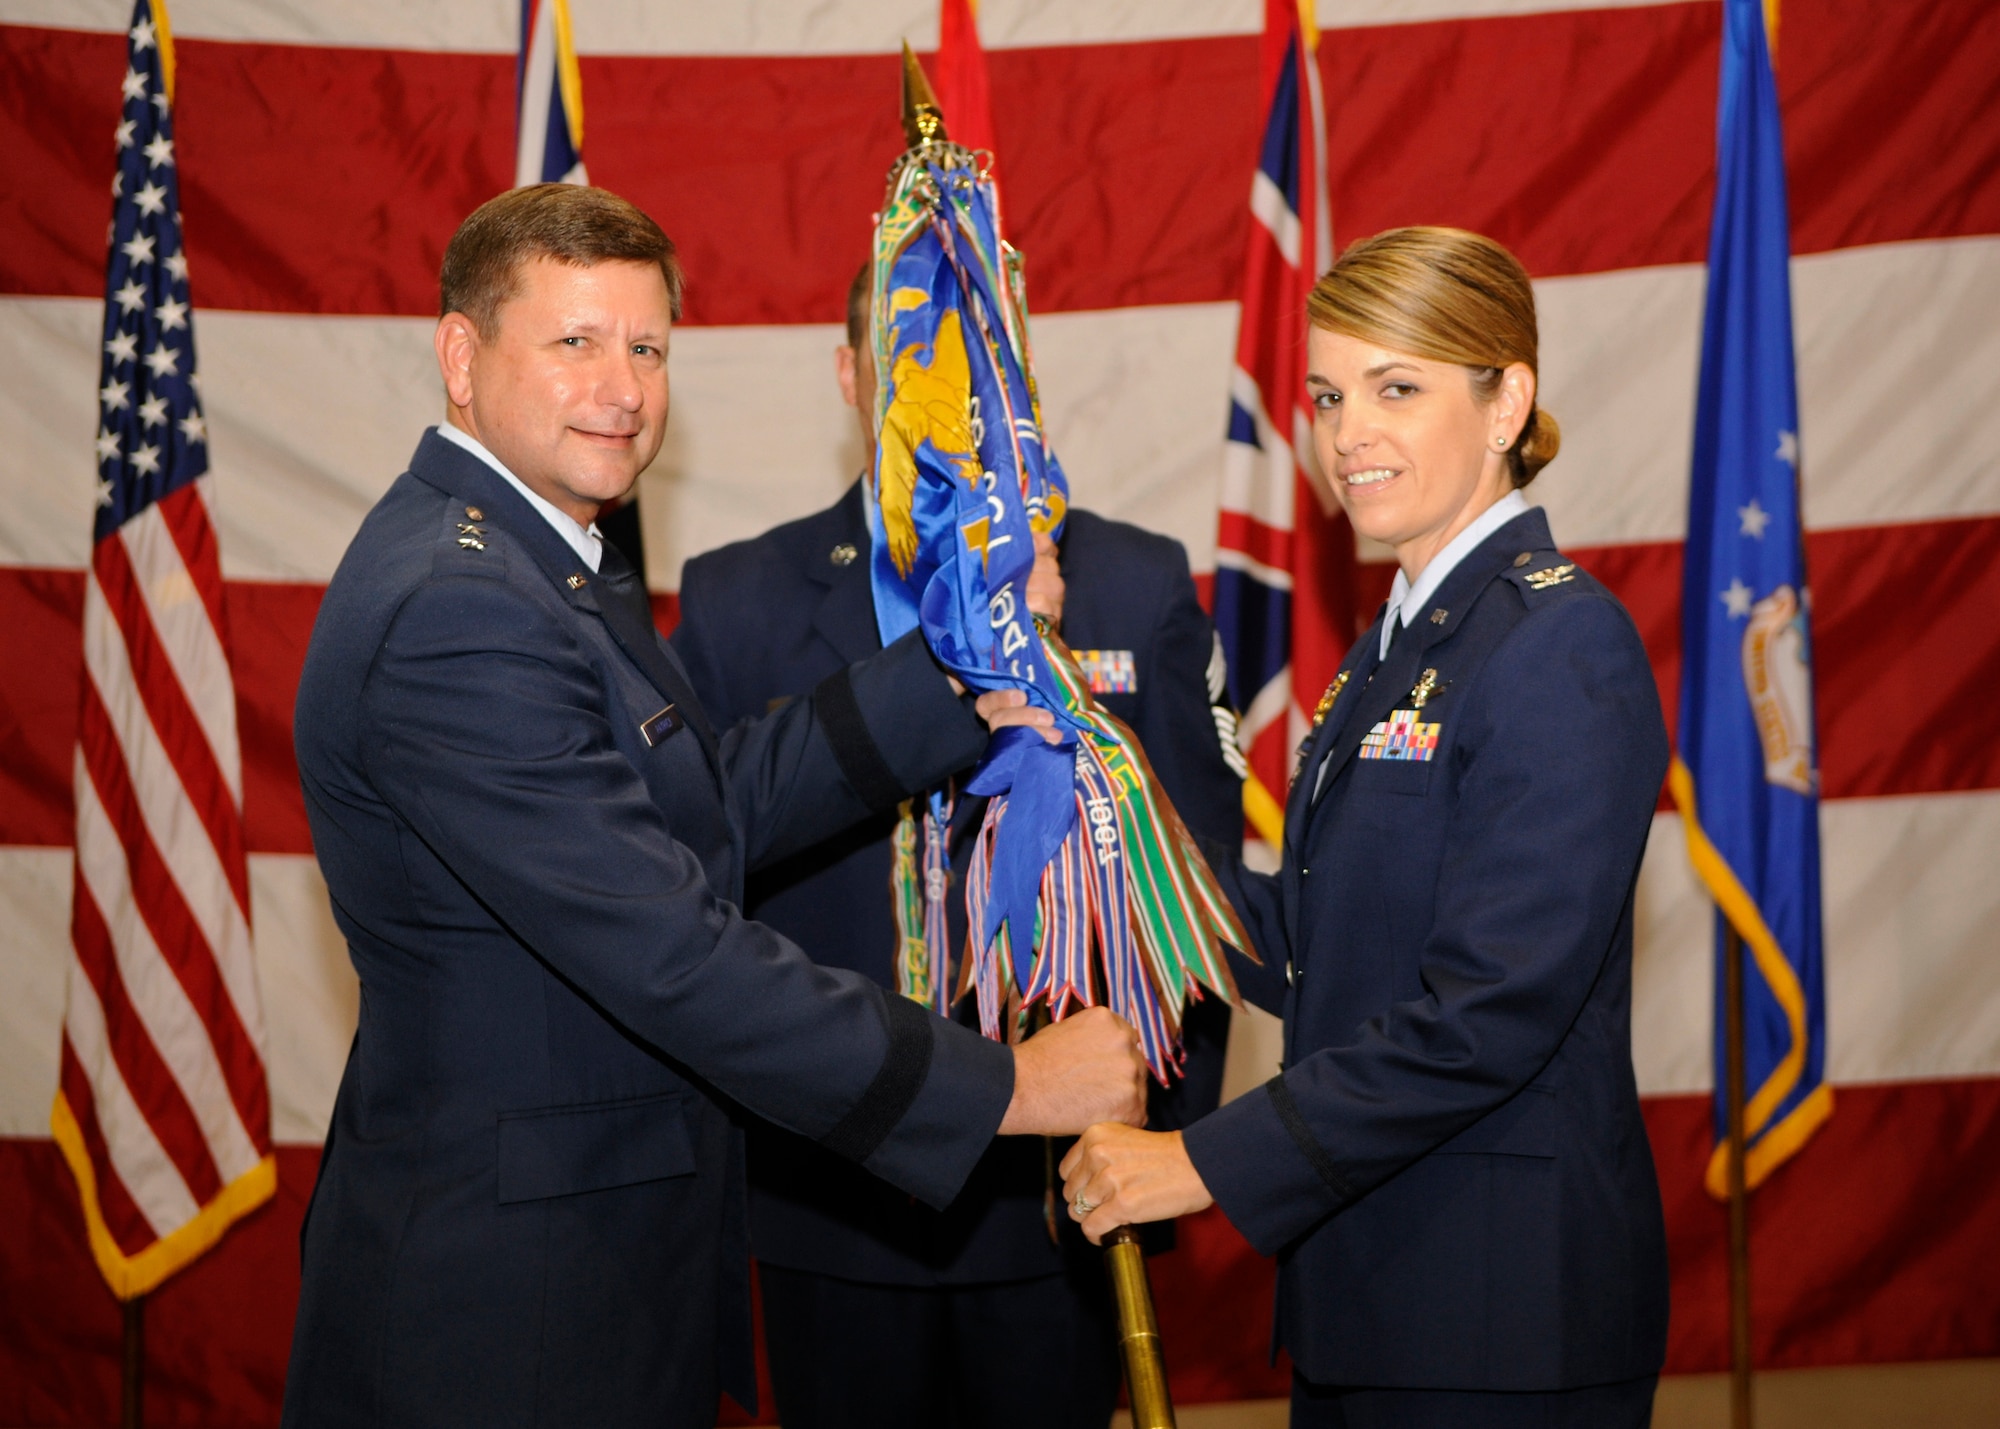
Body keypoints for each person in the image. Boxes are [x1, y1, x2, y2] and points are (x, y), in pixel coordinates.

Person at [284, 184, 1151, 1429]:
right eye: (574, 341)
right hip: (508, 1315)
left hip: (584, 1262)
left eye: (645, 347)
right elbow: (673, 954)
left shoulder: (534, 558)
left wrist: (955, 683)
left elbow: (702, 803)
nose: (622, 389)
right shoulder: (457, 607)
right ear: (460, 357)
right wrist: (1007, 1088)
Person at [1060, 227, 1672, 1427]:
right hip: (1377, 1284)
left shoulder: (1556, 644)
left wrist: (1200, 1160)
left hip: (1496, 1317)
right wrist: (1110, 810)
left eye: (1398, 389)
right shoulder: (1398, 644)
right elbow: (1319, 945)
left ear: (1508, 402)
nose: (1348, 436)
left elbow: (1485, 1013)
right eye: (1331, 395)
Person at [669, 263, 1245, 1429]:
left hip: (1059, 1203)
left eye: (973, 365)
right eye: (907, 360)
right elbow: (699, 899)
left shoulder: (1127, 580)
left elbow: (1199, 894)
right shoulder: (735, 599)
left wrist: (1159, 1155)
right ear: (849, 375)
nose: (944, 396)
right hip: (833, 1198)